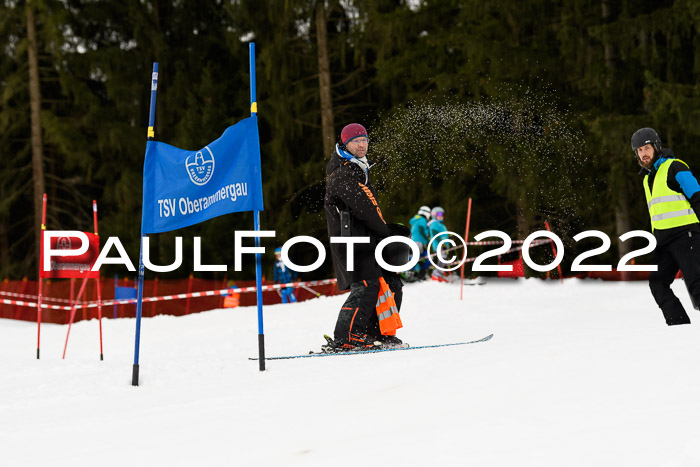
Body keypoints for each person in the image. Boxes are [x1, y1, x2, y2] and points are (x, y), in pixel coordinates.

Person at [324, 123, 405, 351]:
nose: (362, 144)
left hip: (368, 238)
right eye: (356, 141)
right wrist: (385, 233)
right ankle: (347, 336)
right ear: (346, 144)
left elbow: (369, 209)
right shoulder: (342, 173)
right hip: (351, 241)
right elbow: (363, 209)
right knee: (366, 285)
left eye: (365, 140)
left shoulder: (360, 170)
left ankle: (376, 332)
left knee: (391, 283)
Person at [633, 127, 700, 325]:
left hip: (686, 235)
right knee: (658, 283)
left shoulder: (675, 167)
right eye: (639, 150)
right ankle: (679, 328)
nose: (643, 153)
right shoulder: (647, 178)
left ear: (656, 147)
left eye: (646, 148)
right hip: (664, 242)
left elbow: (697, 196)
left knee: (697, 286)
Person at [407, 205, 431, 281]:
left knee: (423, 257)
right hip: (419, 241)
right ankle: (412, 274)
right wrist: (426, 238)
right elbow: (421, 229)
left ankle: (417, 273)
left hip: (414, 240)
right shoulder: (422, 219)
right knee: (417, 257)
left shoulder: (416, 220)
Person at [428, 206, 450, 282]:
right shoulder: (434, 223)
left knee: (444, 259)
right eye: (439, 214)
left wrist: (449, 236)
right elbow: (435, 234)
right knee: (442, 259)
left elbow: (443, 234)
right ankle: (436, 275)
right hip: (439, 245)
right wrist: (442, 243)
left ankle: (439, 274)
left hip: (444, 245)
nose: (441, 216)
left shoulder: (440, 224)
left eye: (442, 214)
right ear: (434, 215)